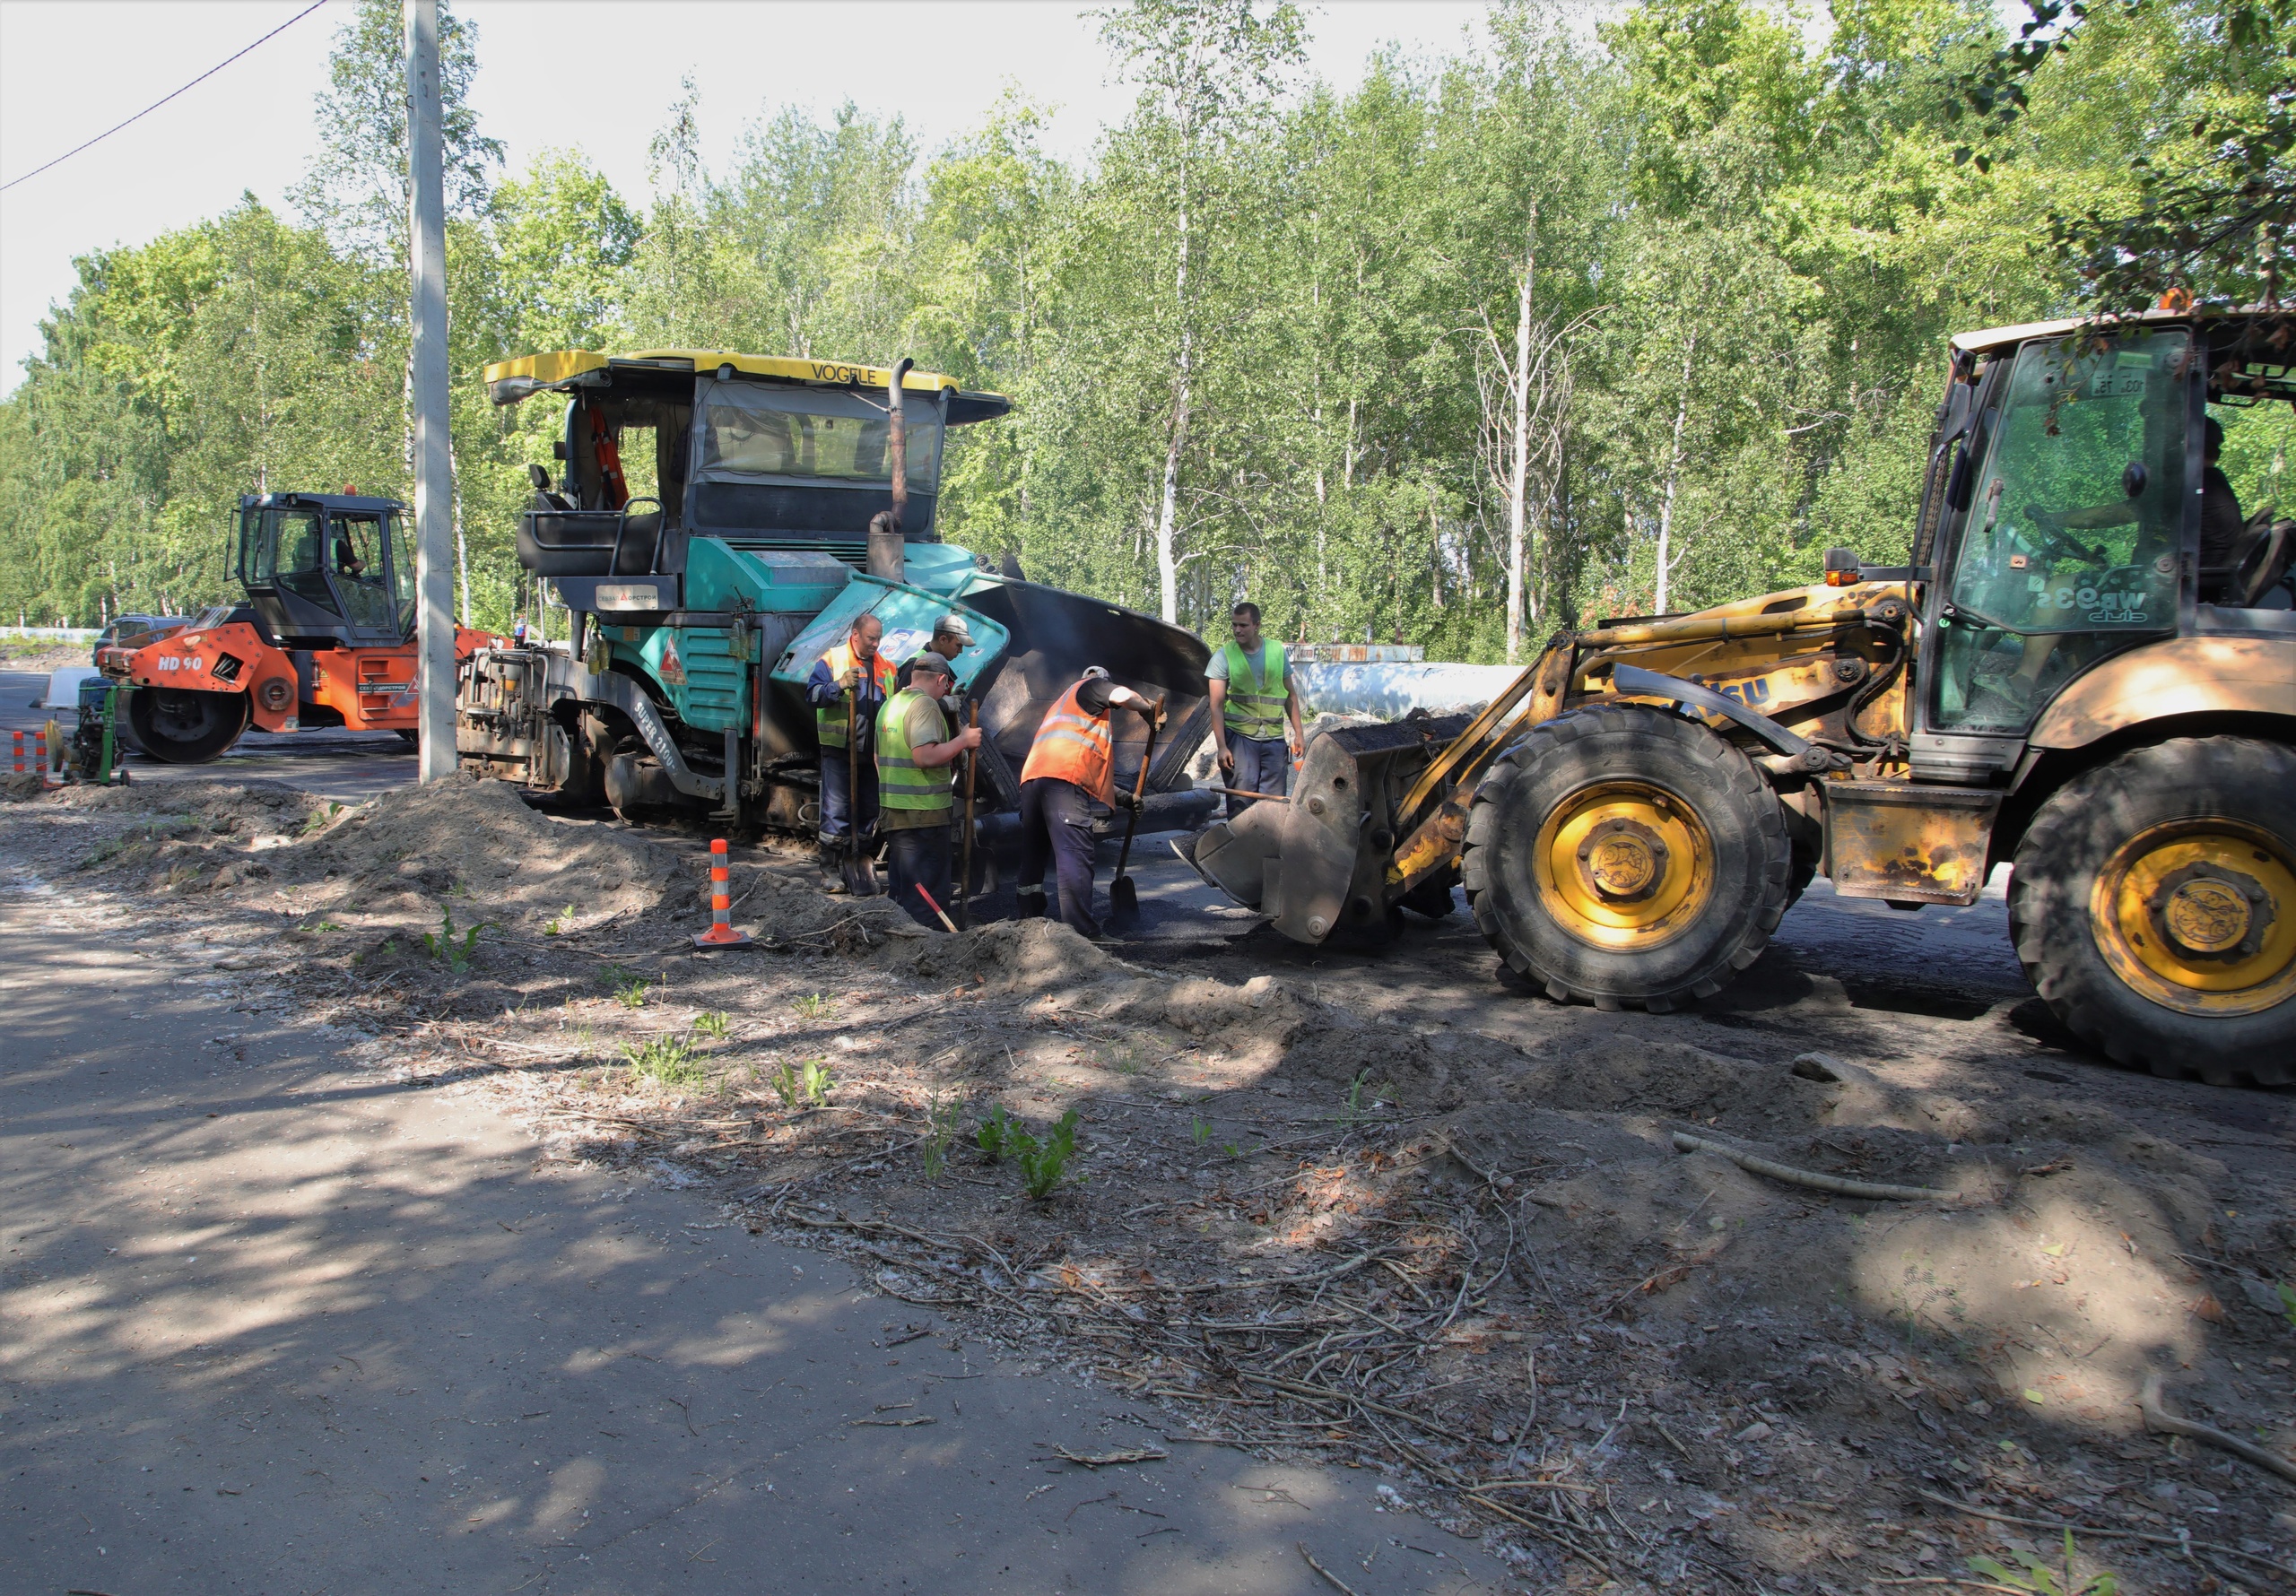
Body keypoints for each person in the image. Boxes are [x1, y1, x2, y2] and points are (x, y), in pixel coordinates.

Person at [1015, 666, 1162, 938]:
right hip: (1061, 780)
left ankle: (1028, 924)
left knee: (1033, 855)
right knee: (1075, 855)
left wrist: (1125, 798)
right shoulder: (1091, 687)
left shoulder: (1064, 709)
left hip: (1034, 781)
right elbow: (1122, 695)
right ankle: (1082, 935)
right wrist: (1146, 708)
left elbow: (1089, 771)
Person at [875, 652, 982, 927]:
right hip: (925, 816)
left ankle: (899, 949)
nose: (945, 692)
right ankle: (927, 952)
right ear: (942, 679)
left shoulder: (891, 704)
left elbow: (878, 759)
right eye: (946, 686)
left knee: (904, 890)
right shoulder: (925, 706)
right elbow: (925, 757)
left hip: (896, 813)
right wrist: (963, 740)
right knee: (926, 898)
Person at [805, 613, 897, 875]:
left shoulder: (887, 667)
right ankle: (831, 869)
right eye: (871, 638)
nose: (876, 644)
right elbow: (812, 696)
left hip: (872, 753)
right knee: (837, 810)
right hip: (839, 750)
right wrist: (839, 685)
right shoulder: (832, 660)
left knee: (869, 808)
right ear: (855, 635)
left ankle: (859, 865)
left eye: (879, 638)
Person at [1205, 602, 1303, 818]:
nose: (1237, 630)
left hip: (1274, 740)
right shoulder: (1223, 656)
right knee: (1242, 800)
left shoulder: (1277, 652)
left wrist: (1299, 734)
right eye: (1234, 625)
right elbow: (1216, 706)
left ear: (1257, 625)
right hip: (1240, 739)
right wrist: (1222, 747)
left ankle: (1266, 848)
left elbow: (1290, 696)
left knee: (1273, 804)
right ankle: (1238, 847)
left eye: (1243, 625)